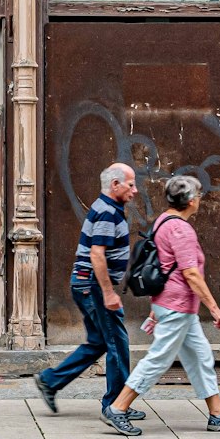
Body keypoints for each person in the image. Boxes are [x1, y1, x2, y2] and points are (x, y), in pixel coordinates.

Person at [102, 174, 220, 436]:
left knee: (201, 357)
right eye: (200, 196)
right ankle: (118, 407)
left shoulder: (164, 220)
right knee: (159, 359)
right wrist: (214, 309)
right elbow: (190, 273)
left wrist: (156, 306)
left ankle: (218, 414)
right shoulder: (181, 229)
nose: (200, 200)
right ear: (192, 201)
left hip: (175, 306)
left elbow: (162, 265)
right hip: (177, 306)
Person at [33, 162, 147, 424]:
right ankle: (117, 405)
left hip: (87, 285)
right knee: (118, 343)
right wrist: (108, 293)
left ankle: (50, 381)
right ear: (115, 184)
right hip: (93, 286)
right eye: (131, 184)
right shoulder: (108, 212)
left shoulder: (108, 208)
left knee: (98, 342)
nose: (135, 190)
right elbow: (97, 255)